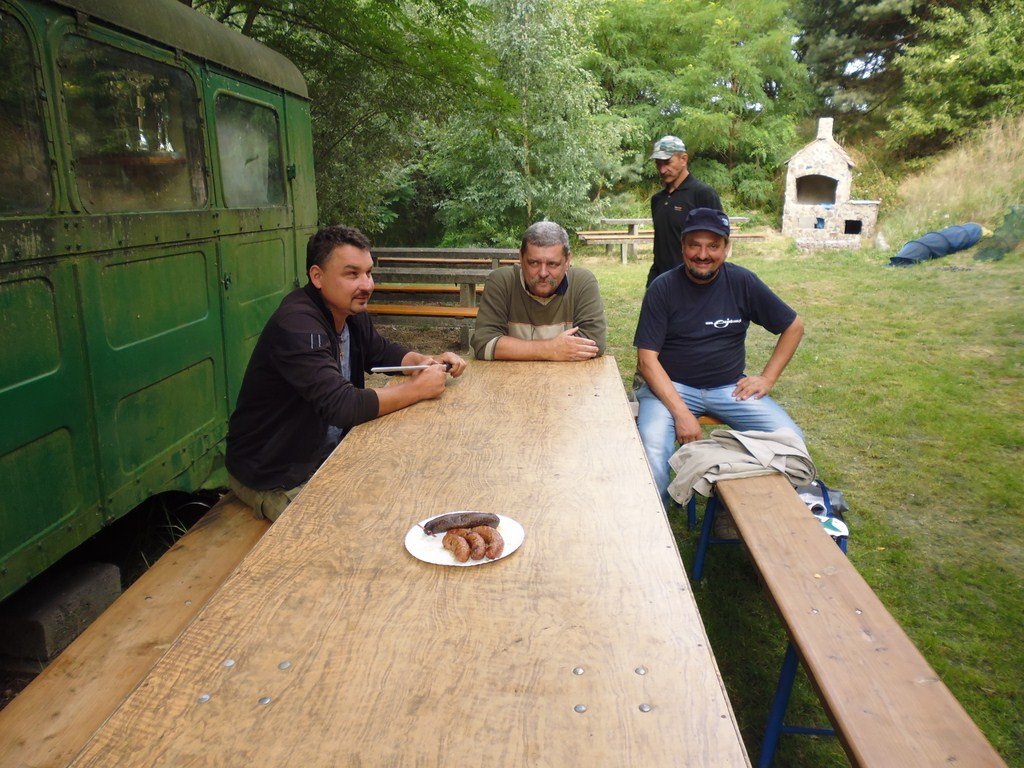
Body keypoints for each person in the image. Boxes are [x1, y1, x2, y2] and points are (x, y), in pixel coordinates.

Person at [226, 224, 467, 521]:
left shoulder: (349, 311)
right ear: (317, 276)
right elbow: (343, 406)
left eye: (369, 273)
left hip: (328, 452)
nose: (366, 285)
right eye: (352, 274)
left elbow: (379, 350)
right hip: (275, 473)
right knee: (347, 528)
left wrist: (423, 361)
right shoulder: (296, 324)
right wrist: (418, 389)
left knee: (415, 484)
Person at [634, 208, 805, 507]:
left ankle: (738, 498)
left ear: (726, 248)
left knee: (791, 440)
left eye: (713, 246)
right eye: (695, 245)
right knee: (652, 450)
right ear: (683, 247)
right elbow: (647, 361)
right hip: (669, 388)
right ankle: (654, 519)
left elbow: (794, 326)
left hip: (730, 388)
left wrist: (767, 378)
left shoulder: (742, 282)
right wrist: (682, 414)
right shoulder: (663, 288)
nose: (703, 255)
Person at [471, 220, 607, 361]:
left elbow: (594, 342)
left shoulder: (582, 283)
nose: (543, 273)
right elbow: (484, 344)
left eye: (552, 264)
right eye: (534, 263)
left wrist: (516, 349)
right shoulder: (502, 282)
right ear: (521, 258)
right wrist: (550, 350)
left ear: (567, 261)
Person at [647, 135, 722, 288]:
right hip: (659, 281)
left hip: (692, 284)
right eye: (658, 163)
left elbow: (719, 242)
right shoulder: (657, 200)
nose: (662, 169)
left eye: (667, 162)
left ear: (684, 159)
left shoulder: (703, 194)